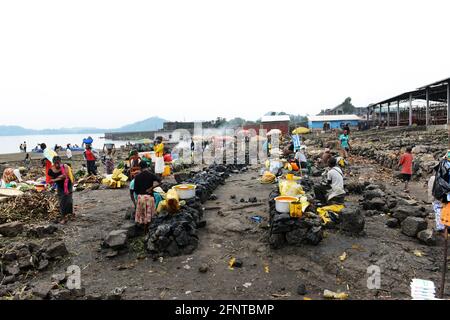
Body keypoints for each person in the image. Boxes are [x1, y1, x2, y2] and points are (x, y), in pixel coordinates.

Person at [133, 161, 161, 232]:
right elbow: (160, 181)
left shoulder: (137, 177)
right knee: (149, 216)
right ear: (147, 166)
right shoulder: (151, 174)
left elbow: (135, 190)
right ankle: (148, 231)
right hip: (149, 198)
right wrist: (151, 188)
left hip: (141, 198)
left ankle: (144, 231)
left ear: (140, 168)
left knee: (143, 216)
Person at [47, 156, 74, 224]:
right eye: (55, 163)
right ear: (53, 163)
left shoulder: (65, 166)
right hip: (60, 186)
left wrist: (55, 179)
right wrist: (56, 179)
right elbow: (50, 180)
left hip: (68, 184)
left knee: (69, 200)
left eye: (58, 163)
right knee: (62, 200)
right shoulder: (51, 170)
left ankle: (70, 214)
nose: (57, 165)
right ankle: (63, 217)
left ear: (60, 162)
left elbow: (65, 176)